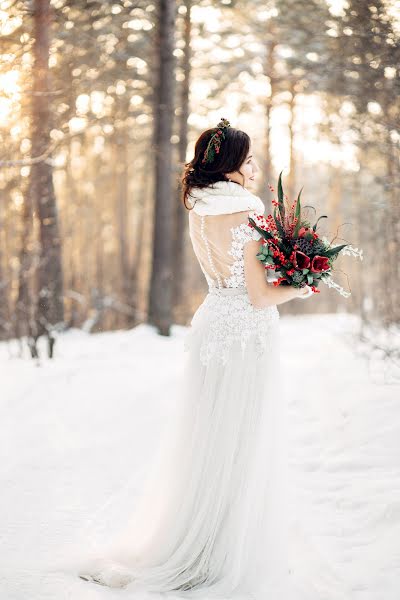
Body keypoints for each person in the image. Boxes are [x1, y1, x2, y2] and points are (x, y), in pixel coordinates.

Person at [75, 118, 314, 598]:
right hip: (245, 334)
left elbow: (225, 278)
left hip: (211, 327)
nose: (254, 167)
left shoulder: (199, 207)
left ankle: (198, 535)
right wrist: (301, 287)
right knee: (240, 441)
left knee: (209, 438)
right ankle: (218, 552)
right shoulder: (248, 211)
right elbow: (260, 295)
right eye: (247, 160)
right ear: (229, 166)